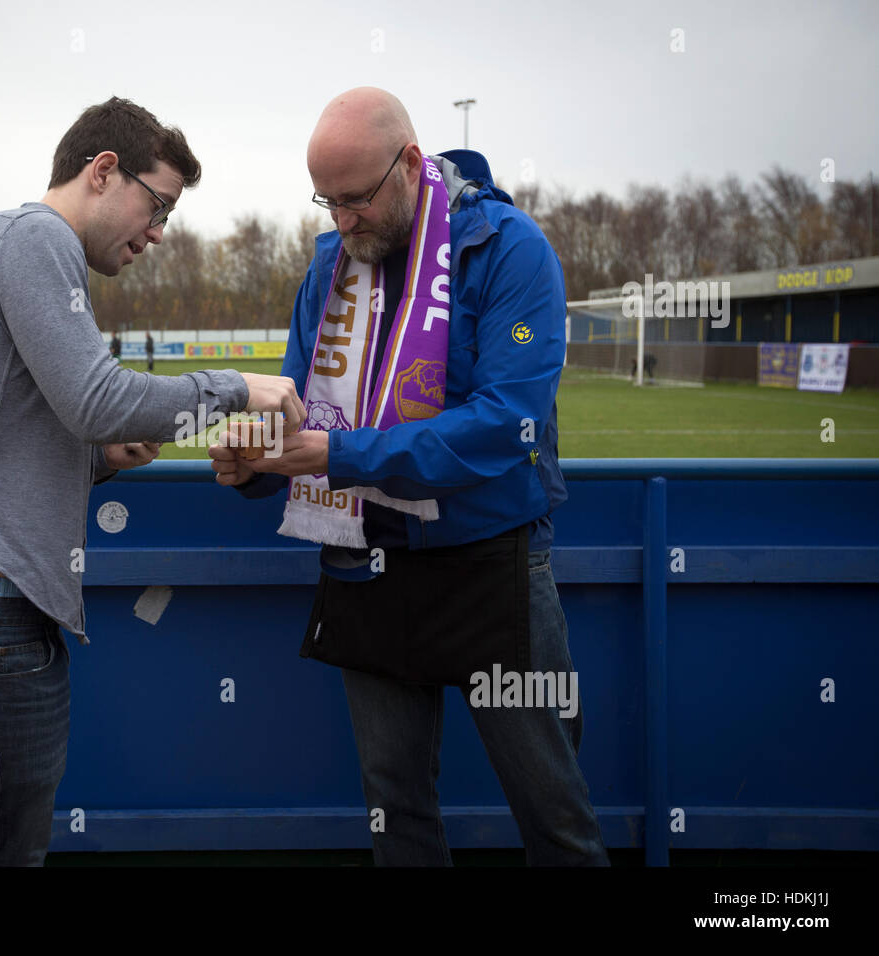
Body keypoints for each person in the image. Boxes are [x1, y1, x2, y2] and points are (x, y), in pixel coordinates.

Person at [0, 95, 303, 867]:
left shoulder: (19, 245)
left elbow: (12, 438)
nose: (158, 234)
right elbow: (95, 398)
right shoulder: (34, 238)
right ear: (104, 171)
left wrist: (100, 460)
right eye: (159, 206)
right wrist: (238, 387)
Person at [209, 87, 609, 867]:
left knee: (554, 814)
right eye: (326, 202)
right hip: (367, 563)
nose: (341, 222)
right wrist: (253, 462)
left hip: (491, 563)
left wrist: (339, 457)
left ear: (413, 165)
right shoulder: (331, 263)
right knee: (395, 810)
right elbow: (300, 413)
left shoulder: (510, 248)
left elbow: (506, 425)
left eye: (355, 199)